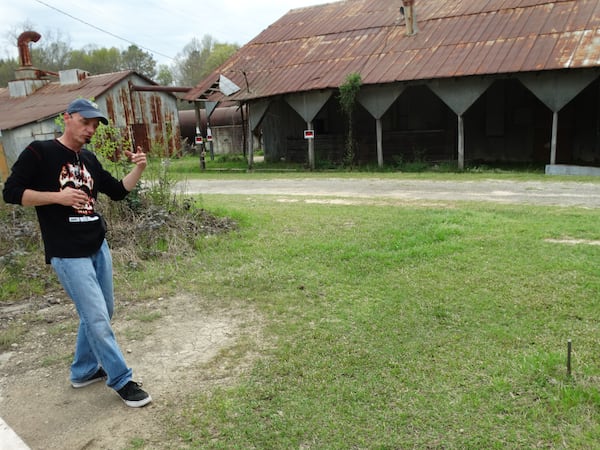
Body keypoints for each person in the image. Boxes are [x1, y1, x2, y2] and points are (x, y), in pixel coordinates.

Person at [2, 98, 152, 408]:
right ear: (67, 118)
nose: (90, 129)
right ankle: (121, 379)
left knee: (102, 313)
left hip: (97, 245)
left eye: (95, 126)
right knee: (96, 317)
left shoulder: (90, 159)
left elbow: (118, 191)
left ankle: (83, 371)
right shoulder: (39, 152)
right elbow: (11, 193)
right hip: (67, 252)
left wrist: (138, 168)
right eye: (86, 122)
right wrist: (57, 197)